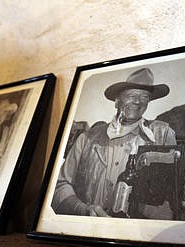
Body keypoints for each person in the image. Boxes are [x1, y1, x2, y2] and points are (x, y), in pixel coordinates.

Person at [51, 68, 177, 218]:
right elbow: (60, 184)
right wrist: (82, 209)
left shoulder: (162, 135)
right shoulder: (86, 139)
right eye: (131, 95)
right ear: (117, 101)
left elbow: (176, 193)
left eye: (144, 96)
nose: (137, 101)